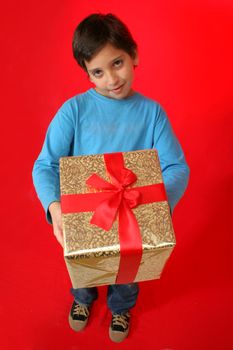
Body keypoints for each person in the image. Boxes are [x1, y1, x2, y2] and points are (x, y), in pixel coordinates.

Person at [32, 13, 189, 343]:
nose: (111, 79)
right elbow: (45, 165)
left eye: (117, 63)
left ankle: (121, 305)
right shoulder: (73, 111)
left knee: (127, 272)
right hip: (86, 217)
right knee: (85, 265)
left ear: (134, 55)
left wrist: (155, 207)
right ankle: (83, 299)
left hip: (134, 213)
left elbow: (177, 168)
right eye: (98, 72)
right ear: (87, 74)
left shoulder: (152, 113)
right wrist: (55, 208)